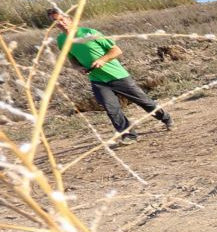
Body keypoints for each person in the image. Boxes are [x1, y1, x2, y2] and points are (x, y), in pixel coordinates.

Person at [51, 9, 171, 140]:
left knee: (144, 102)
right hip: (97, 80)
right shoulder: (61, 40)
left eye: (62, 19)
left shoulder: (89, 32)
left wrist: (102, 60)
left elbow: (116, 50)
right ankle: (129, 135)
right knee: (111, 109)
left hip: (117, 76)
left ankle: (166, 118)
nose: (60, 23)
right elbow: (71, 59)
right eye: (56, 21)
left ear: (70, 19)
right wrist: (78, 67)